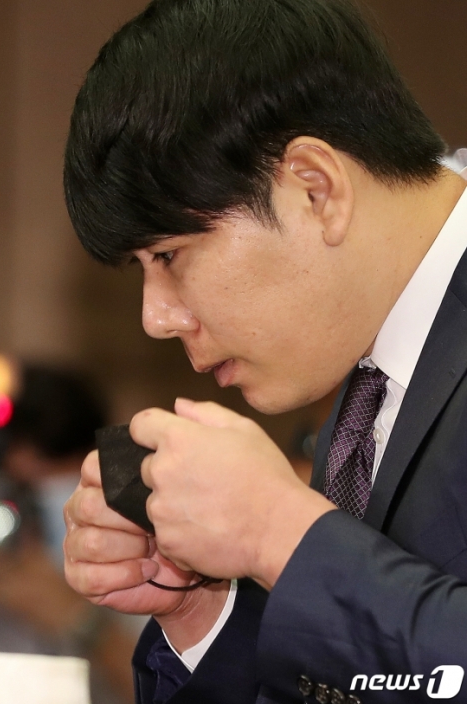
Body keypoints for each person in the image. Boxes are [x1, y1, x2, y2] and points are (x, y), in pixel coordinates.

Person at [62, 0, 467, 701]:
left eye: (169, 254)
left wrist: (279, 534)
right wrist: (204, 612)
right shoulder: (370, 370)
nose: (155, 318)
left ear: (315, 188)